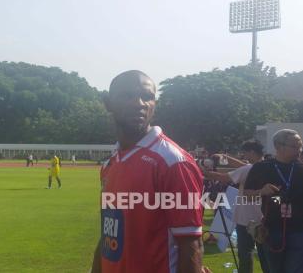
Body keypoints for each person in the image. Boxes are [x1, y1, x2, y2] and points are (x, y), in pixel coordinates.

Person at [91, 70, 207, 273]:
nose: (139, 103)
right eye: (127, 96)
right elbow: (109, 234)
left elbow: (190, 245)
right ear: (107, 103)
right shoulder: (110, 164)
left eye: (147, 97)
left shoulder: (173, 162)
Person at [204, 140, 270, 273]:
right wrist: (226, 158)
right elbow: (244, 165)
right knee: (266, 257)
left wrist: (202, 171)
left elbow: (223, 178)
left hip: (246, 219)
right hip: (265, 218)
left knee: (245, 255)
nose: (244, 155)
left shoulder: (247, 169)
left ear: (251, 152)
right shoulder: (268, 167)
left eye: (245, 152)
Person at [244, 129, 303, 273]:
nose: (299, 150)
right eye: (295, 146)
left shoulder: (300, 168)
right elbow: (246, 195)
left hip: (299, 231)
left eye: (300, 146)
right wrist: (261, 191)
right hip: (272, 230)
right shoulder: (262, 167)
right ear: (278, 146)